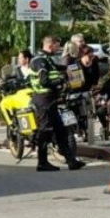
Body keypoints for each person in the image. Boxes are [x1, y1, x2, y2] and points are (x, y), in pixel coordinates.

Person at [28, 36, 86, 172]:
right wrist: (62, 82)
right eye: (57, 46)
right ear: (50, 45)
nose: (59, 49)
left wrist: (71, 67)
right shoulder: (40, 60)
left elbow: (59, 68)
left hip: (51, 101)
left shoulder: (47, 60)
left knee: (61, 130)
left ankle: (71, 161)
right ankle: (42, 162)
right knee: (46, 131)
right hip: (43, 100)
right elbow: (44, 81)